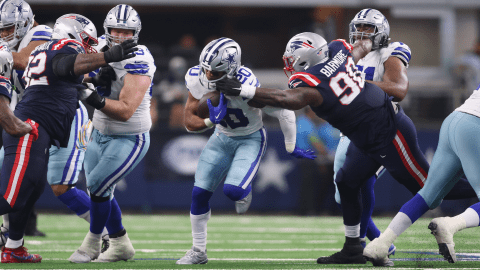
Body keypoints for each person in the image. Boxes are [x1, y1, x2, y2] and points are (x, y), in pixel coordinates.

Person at [216, 31, 477, 266]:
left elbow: (287, 99)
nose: (290, 65)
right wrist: (368, 43)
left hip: (387, 131)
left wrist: (246, 90)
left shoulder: (312, 82)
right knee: (347, 181)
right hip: (365, 134)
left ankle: (477, 190)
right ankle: (353, 246)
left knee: (429, 188)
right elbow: (359, 49)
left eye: (293, 59)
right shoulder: (339, 50)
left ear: (307, 58)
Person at [0, 13, 137, 263]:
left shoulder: (44, 49)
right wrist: (106, 57)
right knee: (15, 195)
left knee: (32, 189)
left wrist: (94, 77)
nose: (89, 46)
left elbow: (61, 76)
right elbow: (64, 65)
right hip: (34, 124)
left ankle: (13, 246)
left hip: (41, 124)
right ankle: (111, 235)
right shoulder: (63, 46)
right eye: (86, 40)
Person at [176, 37, 316, 265]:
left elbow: (284, 112)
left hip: (249, 138)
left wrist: (290, 146)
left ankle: (243, 189)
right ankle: (198, 251)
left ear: (231, 69)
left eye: (214, 72)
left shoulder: (247, 85)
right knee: (199, 193)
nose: (207, 76)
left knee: (233, 191)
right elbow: (189, 122)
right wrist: (211, 122)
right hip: (221, 137)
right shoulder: (196, 77)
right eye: (206, 69)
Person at [0, 0, 108, 242]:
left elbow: (23, 61)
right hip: (36, 112)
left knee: (61, 185)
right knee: (10, 175)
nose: (4, 34)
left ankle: (112, 233)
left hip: (66, 112)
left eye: (8, 28)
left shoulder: (42, 34)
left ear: (24, 22)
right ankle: (10, 238)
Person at [69, 4, 155, 263]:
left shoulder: (140, 58)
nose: (120, 36)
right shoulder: (96, 47)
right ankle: (121, 244)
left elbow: (126, 110)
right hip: (99, 130)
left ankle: (92, 243)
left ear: (135, 34)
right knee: (100, 190)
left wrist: (90, 94)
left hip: (130, 136)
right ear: (106, 30)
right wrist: (91, 78)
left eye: (126, 32)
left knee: (97, 185)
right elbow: (74, 71)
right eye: (115, 30)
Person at [363, 81, 480, 265]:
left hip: (455, 120)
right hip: (475, 126)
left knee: (428, 195)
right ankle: (450, 225)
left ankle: (381, 244)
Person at [331, 8, 411, 260]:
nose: (361, 33)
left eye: (367, 28)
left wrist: (356, 85)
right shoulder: (347, 55)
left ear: (381, 32)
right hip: (352, 129)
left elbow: (397, 89)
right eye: (358, 27)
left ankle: (357, 247)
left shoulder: (391, 51)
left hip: (381, 128)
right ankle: (379, 242)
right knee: (341, 190)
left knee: (360, 181)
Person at [296, 107, 340, 215]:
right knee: (309, 185)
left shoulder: (300, 121)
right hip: (308, 157)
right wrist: (325, 153)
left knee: (308, 185)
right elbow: (315, 141)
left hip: (303, 156)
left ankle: (306, 209)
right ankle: (308, 210)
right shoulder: (306, 123)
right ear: (310, 111)